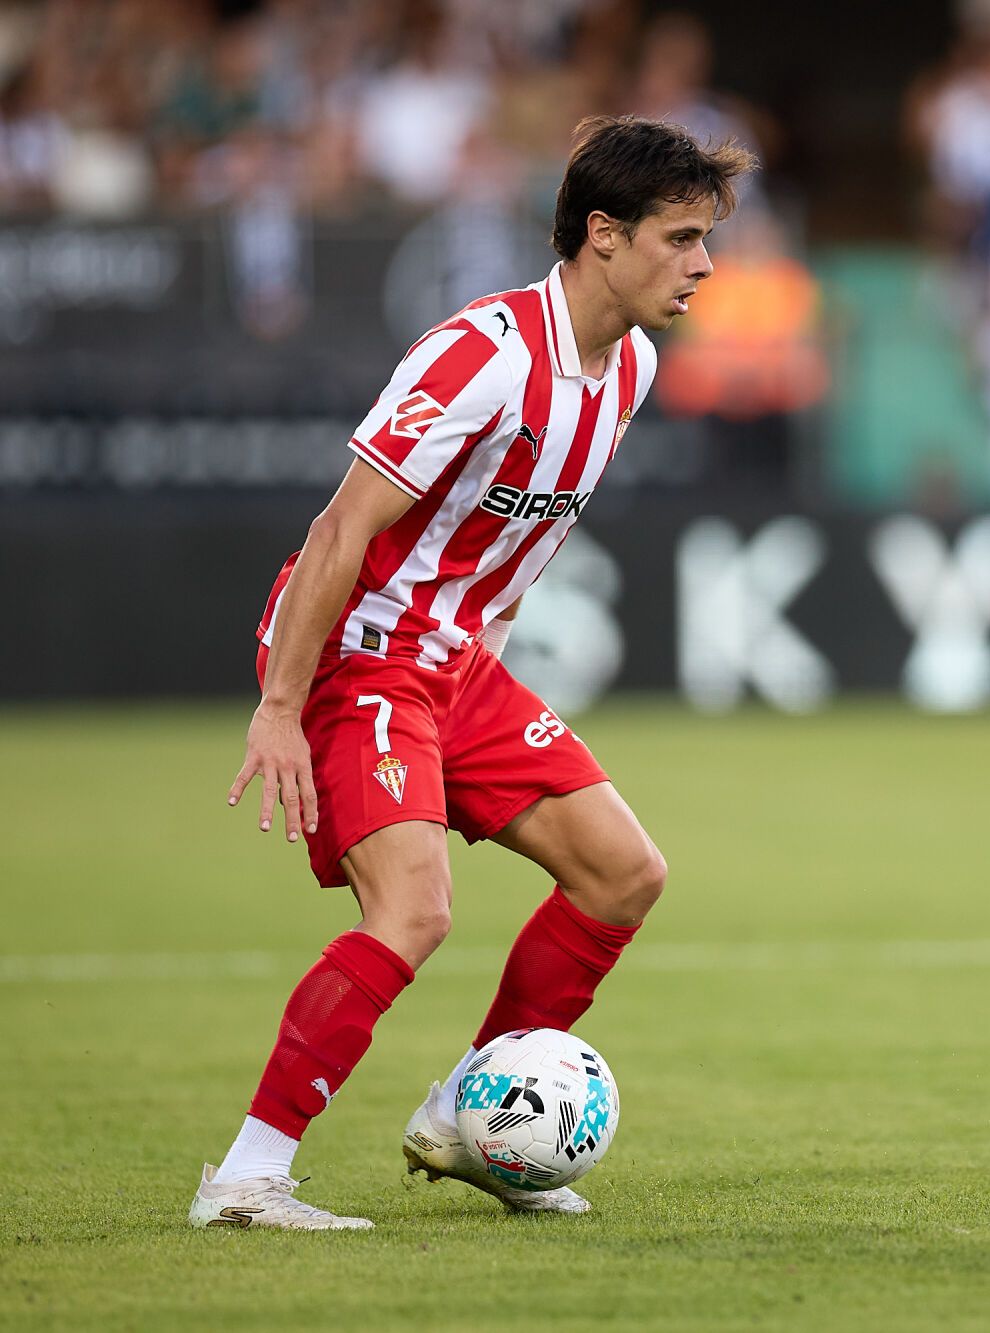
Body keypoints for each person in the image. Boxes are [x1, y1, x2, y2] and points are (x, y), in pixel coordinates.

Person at [189, 116, 755, 1231]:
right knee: (412, 910)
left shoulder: (629, 364)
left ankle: (468, 1119)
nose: (702, 264)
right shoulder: (482, 355)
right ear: (603, 235)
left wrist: (477, 656)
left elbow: (510, 536)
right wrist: (281, 705)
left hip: (455, 664)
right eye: (682, 238)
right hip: (363, 652)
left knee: (621, 873)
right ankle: (246, 1177)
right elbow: (342, 529)